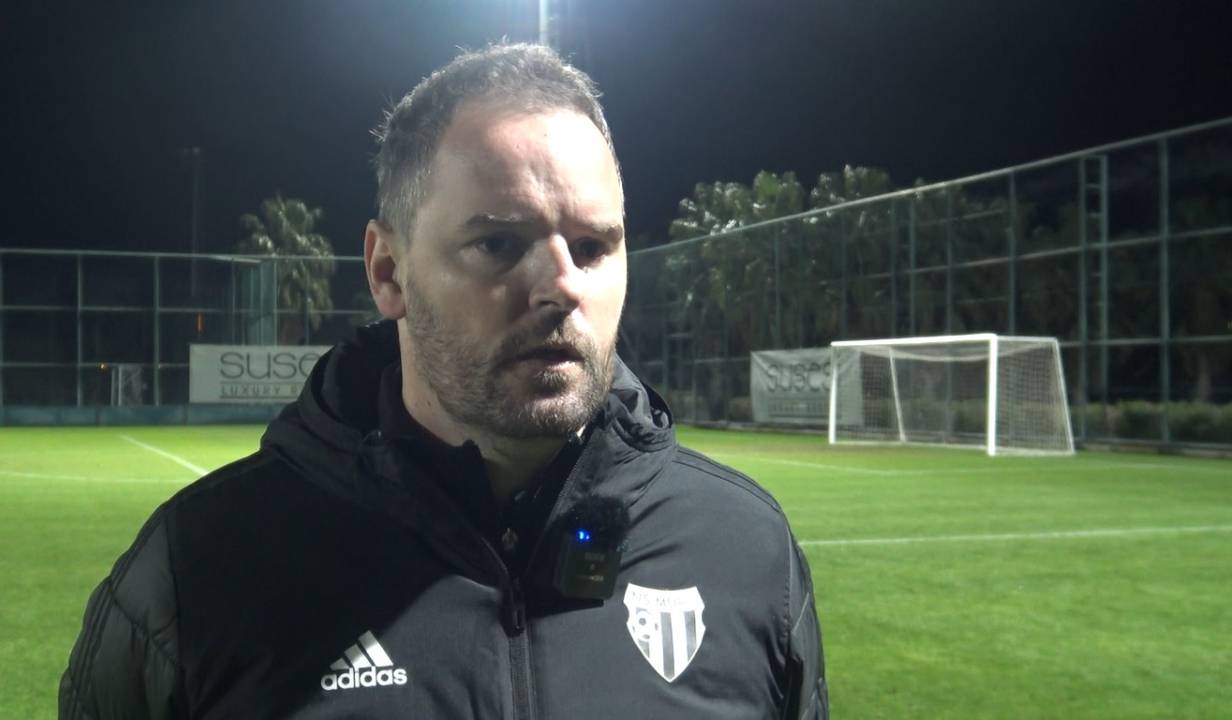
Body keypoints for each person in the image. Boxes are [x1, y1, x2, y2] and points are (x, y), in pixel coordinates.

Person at [60, 43, 827, 719]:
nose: (562, 285)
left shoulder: (747, 553)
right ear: (388, 271)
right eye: (499, 244)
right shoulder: (200, 571)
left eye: (593, 247)